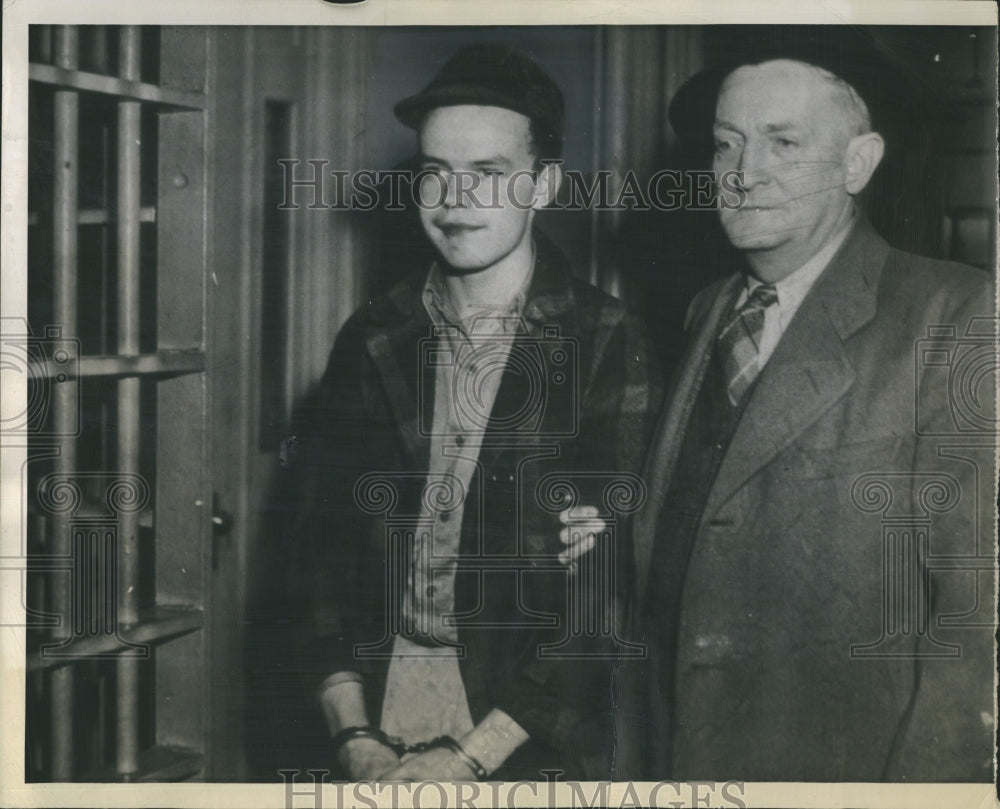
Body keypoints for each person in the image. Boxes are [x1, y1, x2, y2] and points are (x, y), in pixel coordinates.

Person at [619, 52, 995, 781]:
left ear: (858, 164)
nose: (743, 170)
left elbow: (978, 622)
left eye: (783, 143)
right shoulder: (706, 310)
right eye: (727, 142)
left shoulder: (955, 312)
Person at [292, 44, 661, 782]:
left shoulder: (605, 338)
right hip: (374, 721)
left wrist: (470, 757)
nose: (454, 200)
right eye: (435, 173)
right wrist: (352, 733)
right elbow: (317, 554)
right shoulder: (373, 335)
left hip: (529, 739)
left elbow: (608, 592)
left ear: (543, 184)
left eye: (488, 174)